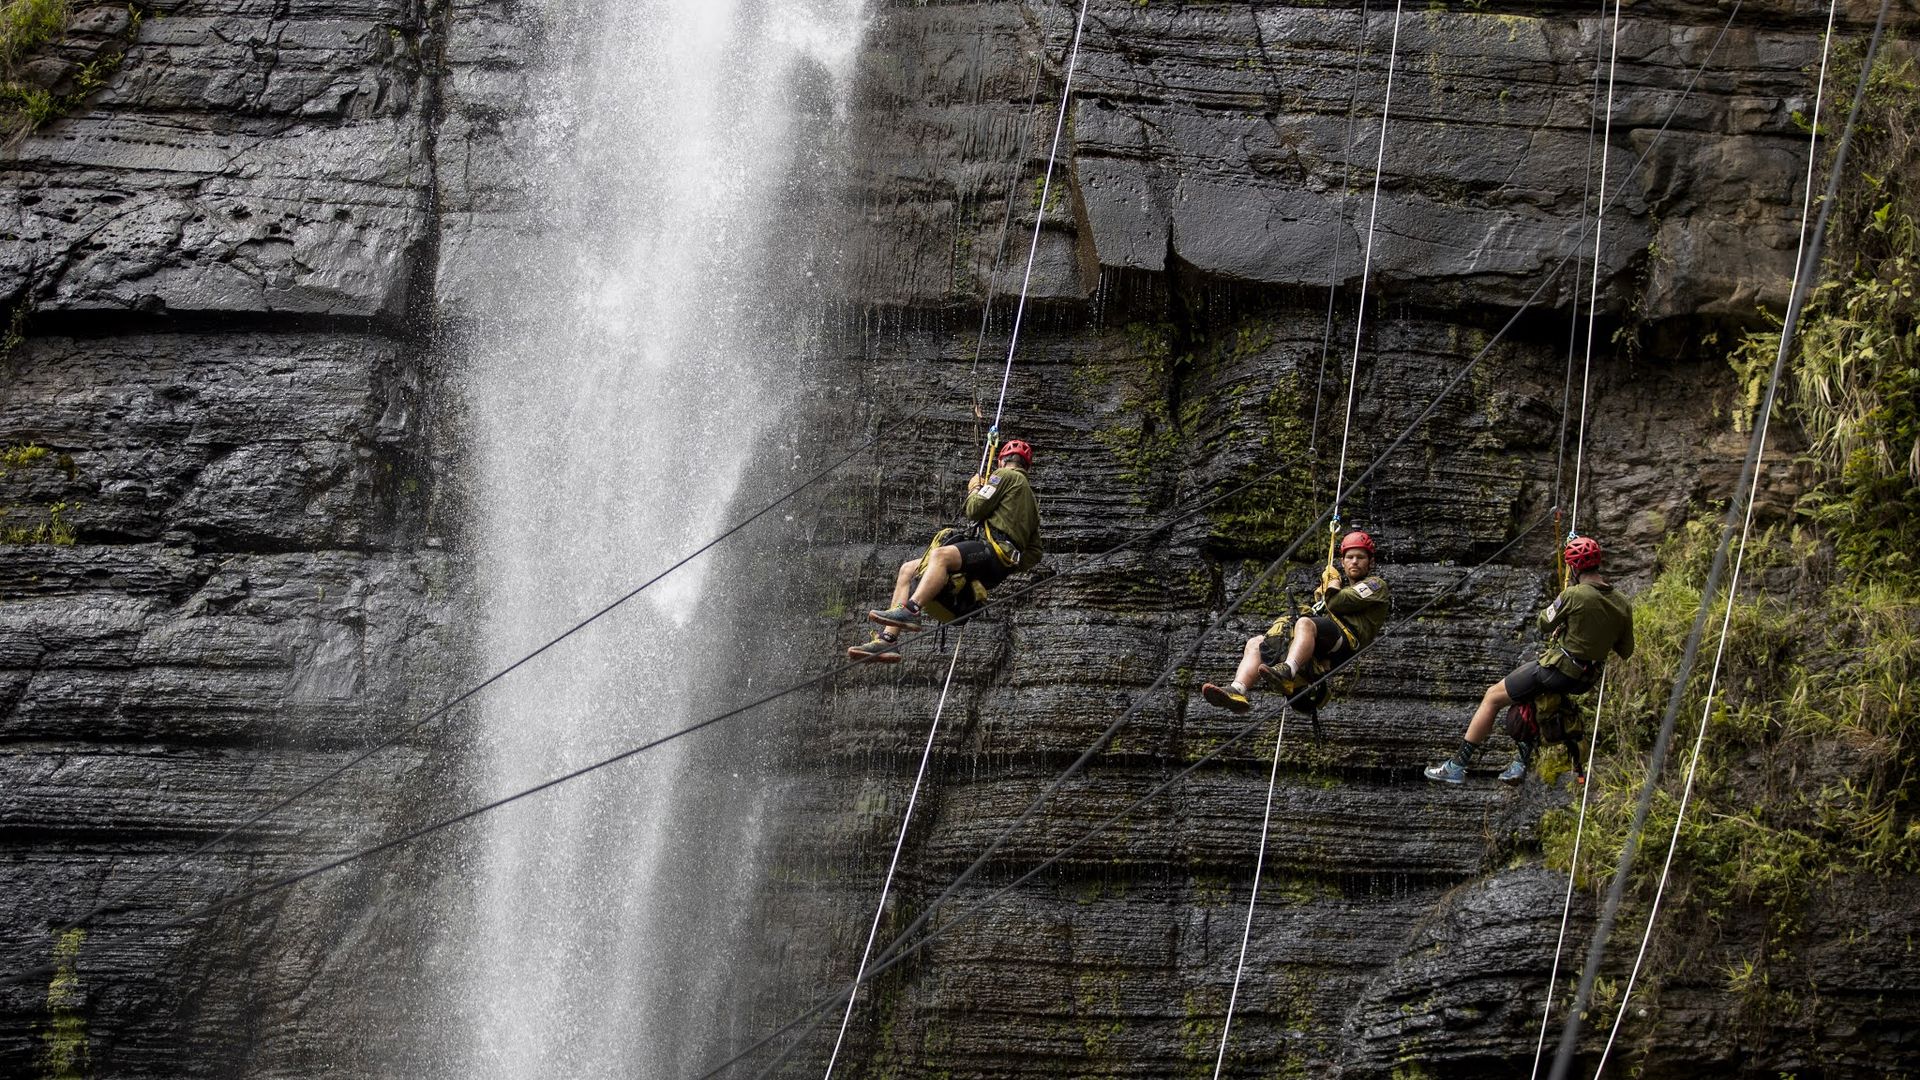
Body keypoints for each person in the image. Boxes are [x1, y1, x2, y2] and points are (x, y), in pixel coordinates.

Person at [1424, 535, 1634, 784]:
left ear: (1574, 568)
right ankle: (1519, 765)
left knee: (1492, 697)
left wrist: (1565, 605)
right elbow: (1625, 650)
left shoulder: (1575, 595)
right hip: (1584, 679)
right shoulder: (1622, 602)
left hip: (1557, 670)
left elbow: (1544, 622)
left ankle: (1457, 766)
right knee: (1527, 703)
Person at [848, 439, 1044, 662]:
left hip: (990, 553)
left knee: (940, 555)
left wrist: (974, 488)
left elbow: (974, 509)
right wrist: (1010, 563)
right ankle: (887, 641)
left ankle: (911, 610)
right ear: (1027, 466)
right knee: (908, 570)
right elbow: (1036, 552)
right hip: (994, 562)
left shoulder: (1004, 476)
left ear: (1001, 460)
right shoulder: (1032, 502)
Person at [1199, 531, 1390, 713]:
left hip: (1346, 642)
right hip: (1322, 644)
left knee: (1305, 623)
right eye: (1350, 557)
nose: (1354, 561)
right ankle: (1237, 690)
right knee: (1256, 643)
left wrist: (1332, 584)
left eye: (1360, 557)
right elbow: (1331, 605)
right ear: (1343, 561)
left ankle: (1287, 671)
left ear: (1370, 562)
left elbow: (1338, 602)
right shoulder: (1340, 589)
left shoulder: (1376, 585)